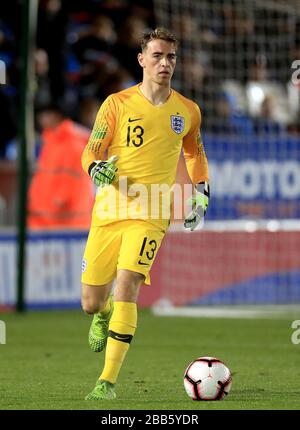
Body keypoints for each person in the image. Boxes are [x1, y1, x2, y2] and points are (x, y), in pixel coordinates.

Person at [81, 27, 210, 400]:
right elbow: (92, 150)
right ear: (141, 59)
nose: (165, 63)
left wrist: (201, 192)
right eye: (157, 56)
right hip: (108, 210)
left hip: (153, 211)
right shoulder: (117, 104)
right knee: (91, 302)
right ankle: (102, 314)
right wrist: (95, 169)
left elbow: (195, 153)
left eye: (170, 57)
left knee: (128, 285)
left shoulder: (187, 110)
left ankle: (106, 382)